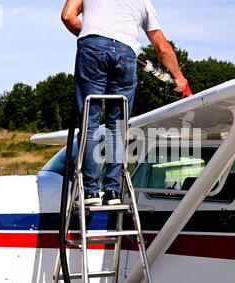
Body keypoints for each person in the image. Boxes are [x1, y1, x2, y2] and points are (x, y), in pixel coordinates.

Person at [62, 0, 189, 205]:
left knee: (89, 122)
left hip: (92, 47)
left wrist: (92, 38)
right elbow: (162, 47)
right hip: (126, 53)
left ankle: (91, 192)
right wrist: (179, 78)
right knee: (117, 127)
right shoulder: (143, 2)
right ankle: (112, 191)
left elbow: (68, 16)